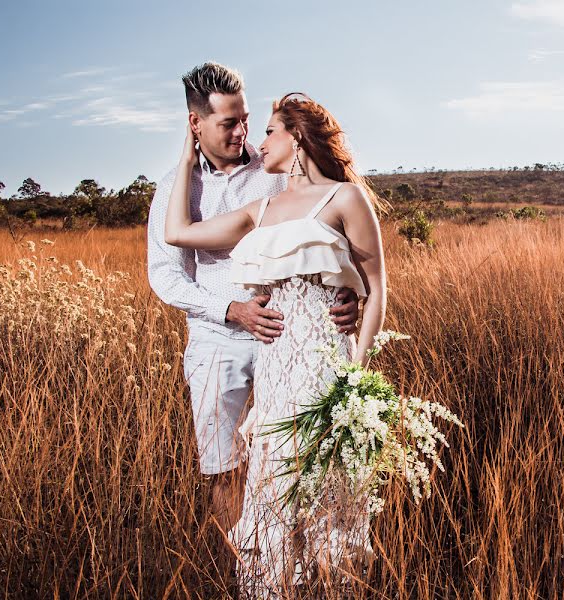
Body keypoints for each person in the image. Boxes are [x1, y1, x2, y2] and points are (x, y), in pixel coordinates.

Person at [163, 90, 388, 595]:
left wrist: (356, 371)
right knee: (273, 492)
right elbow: (178, 232)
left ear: (297, 137)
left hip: (325, 366)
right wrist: (187, 151)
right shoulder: (260, 209)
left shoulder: (346, 198)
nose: (257, 143)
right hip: (274, 372)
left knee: (329, 495)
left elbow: (376, 291)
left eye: (268, 131)